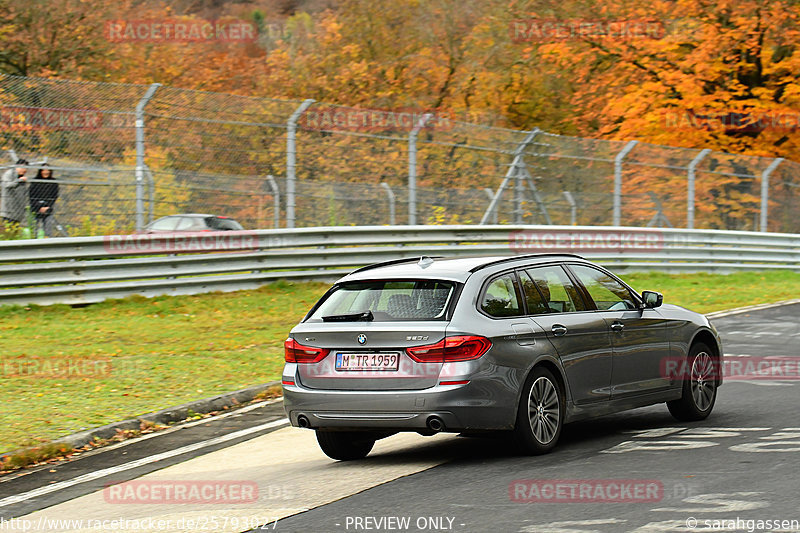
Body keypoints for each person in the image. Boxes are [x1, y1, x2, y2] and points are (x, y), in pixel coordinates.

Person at [29, 163, 59, 238]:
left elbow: (54, 196)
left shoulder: (53, 182)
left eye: (48, 170)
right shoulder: (35, 181)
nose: (46, 172)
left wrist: (47, 207)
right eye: (44, 170)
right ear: (40, 171)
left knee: (48, 230)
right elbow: (31, 196)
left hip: (48, 208)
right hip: (35, 208)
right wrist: (39, 207)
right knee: (34, 230)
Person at [1, 158, 29, 227]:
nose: (24, 170)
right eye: (22, 168)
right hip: (8, 211)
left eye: (26, 168)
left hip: (18, 212)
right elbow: (6, 185)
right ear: (17, 166)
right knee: (7, 231)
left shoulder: (22, 177)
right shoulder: (9, 174)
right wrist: (18, 180)